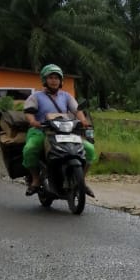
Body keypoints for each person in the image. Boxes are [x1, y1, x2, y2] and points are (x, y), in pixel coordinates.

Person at [21, 64, 95, 196]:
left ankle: (81, 180)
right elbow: (28, 112)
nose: (54, 80)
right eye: (51, 77)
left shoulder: (66, 96)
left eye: (56, 78)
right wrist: (33, 121)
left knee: (89, 149)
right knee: (30, 148)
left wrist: (83, 121)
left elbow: (76, 110)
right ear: (45, 80)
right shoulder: (36, 96)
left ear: (61, 81)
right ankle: (36, 180)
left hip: (65, 131)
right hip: (42, 131)